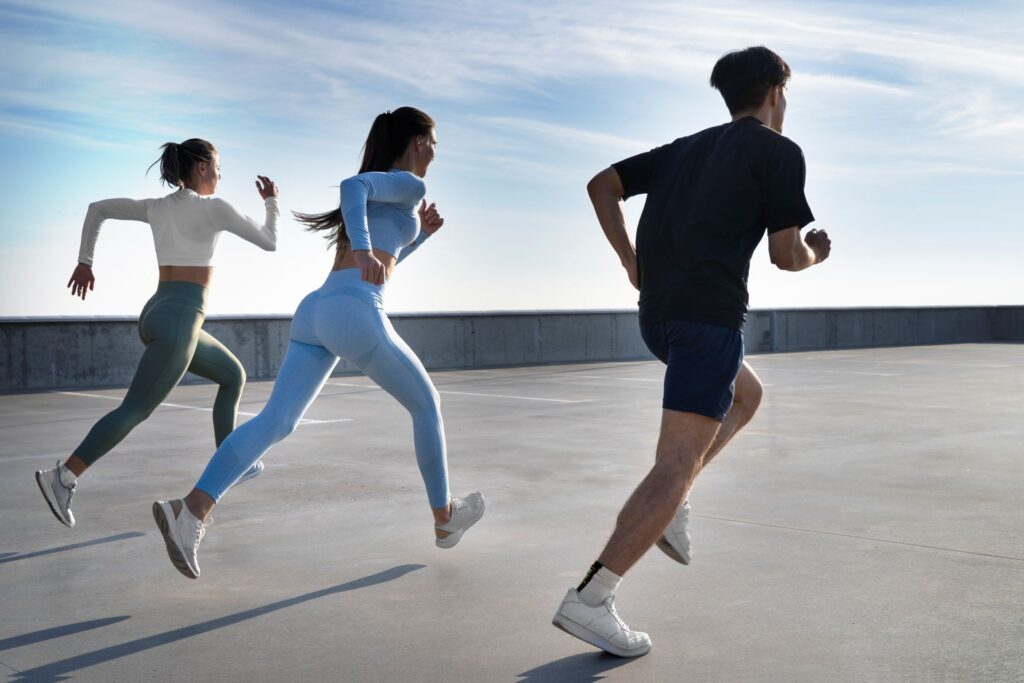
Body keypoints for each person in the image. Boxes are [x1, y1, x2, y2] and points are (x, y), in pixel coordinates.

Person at [552, 46, 832, 657]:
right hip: (708, 322)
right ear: (777, 91)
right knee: (673, 463)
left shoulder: (686, 147)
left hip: (659, 318)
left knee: (748, 396)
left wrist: (632, 262)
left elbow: (603, 185)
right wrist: (818, 253)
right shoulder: (780, 152)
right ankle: (592, 598)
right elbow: (786, 255)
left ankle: (674, 505)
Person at [152, 107, 484, 579]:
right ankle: (445, 519)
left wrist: (419, 237)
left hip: (317, 310)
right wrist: (367, 246)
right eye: (432, 141)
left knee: (277, 421)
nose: (435, 151)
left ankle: (190, 510)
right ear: (415, 142)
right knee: (427, 405)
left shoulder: (394, 195)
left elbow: (383, 262)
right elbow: (354, 190)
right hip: (353, 309)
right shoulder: (408, 184)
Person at [34, 139, 278, 528]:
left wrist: (85, 262)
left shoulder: (157, 207)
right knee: (134, 410)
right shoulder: (213, 207)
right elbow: (270, 242)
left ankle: (231, 460)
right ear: (201, 168)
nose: (220, 175)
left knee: (233, 375)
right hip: (182, 316)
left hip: (158, 311)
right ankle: (63, 477)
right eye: (217, 167)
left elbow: (98, 209)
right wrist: (271, 202)